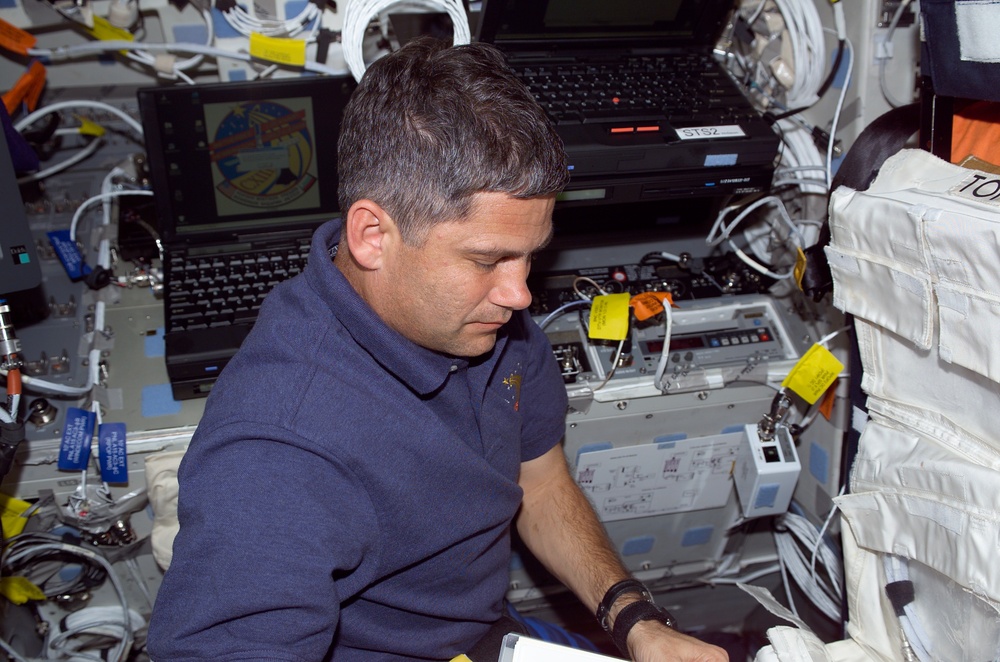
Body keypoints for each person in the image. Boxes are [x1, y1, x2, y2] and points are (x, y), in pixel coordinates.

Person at [146, 36, 728, 662]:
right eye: (487, 260)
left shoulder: (482, 318)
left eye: (531, 256)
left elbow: (538, 475)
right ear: (372, 235)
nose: (521, 295)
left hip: (486, 633)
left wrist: (635, 620)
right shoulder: (278, 452)